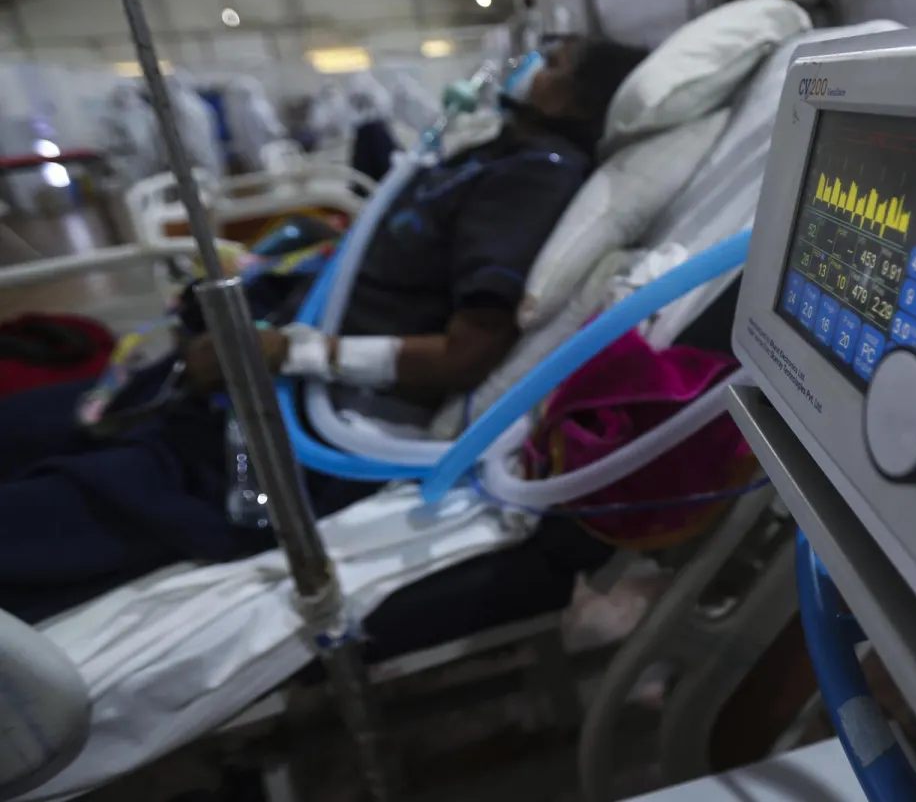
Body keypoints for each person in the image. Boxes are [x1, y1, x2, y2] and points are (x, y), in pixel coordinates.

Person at [0, 39, 649, 624]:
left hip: (279, 451)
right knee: (28, 425)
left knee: (56, 508)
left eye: (555, 59)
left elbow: (468, 352)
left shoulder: (535, 177)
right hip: (243, 388)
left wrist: (289, 349)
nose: (530, 61)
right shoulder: (492, 153)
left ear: (577, 100)